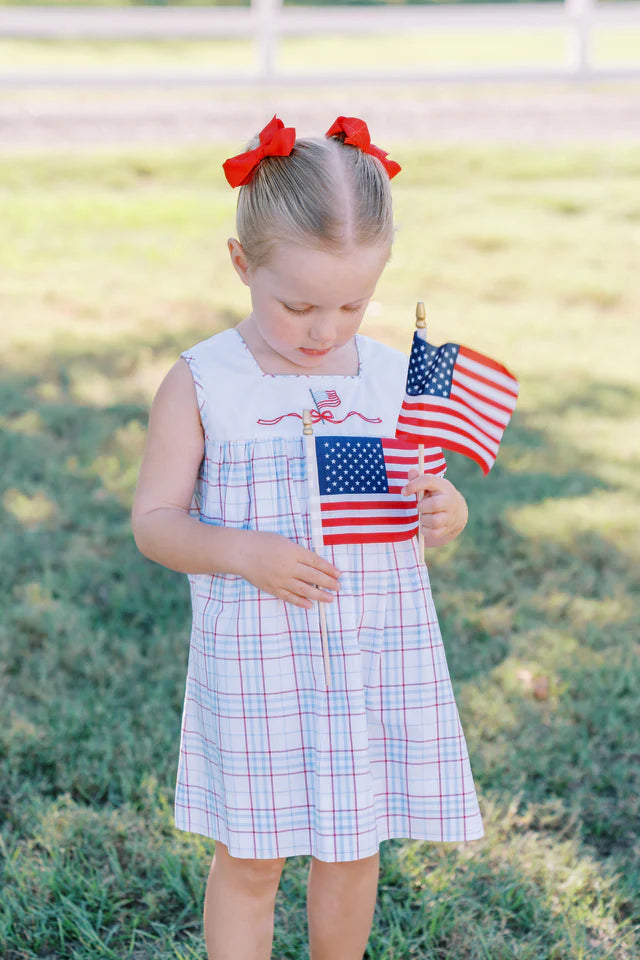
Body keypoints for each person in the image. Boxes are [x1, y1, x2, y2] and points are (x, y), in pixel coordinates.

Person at [131, 115, 484, 960]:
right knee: (251, 858)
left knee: (353, 851)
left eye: (353, 305)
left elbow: (422, 490)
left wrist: (448, 509)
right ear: (242, 263)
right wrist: (240, 551)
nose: (326, 330)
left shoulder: (394, 377)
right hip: (257, 664)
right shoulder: (205, 382)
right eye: (298, 305)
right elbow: (155, 523)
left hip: (371, 651)